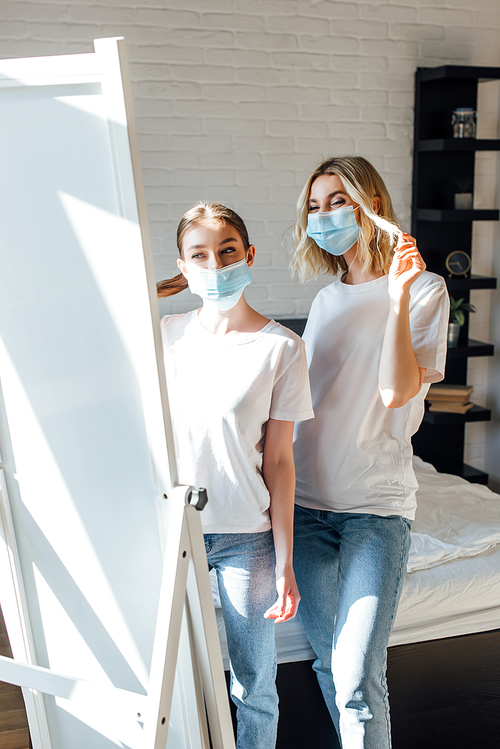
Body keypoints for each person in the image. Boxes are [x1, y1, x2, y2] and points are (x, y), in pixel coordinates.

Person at [290, 156, 449, 749]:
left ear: (371, 208)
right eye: (314, 205)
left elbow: (395, 390)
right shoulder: (327, 300)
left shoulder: (426, 290)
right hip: (305, 506)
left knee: (357, 677)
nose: (323, 215)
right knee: (328, 667)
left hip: (374, 510)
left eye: (337, 201)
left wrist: (399, 295)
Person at [157, 201, 314, 749]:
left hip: (246, 538)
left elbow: (279, 460)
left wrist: (286, 559)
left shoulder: (282, 348)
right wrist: (153, 291)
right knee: (164, 679)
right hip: (170, 533)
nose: (216, 266)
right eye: (199, 256)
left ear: (249, 255)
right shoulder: (163, 335)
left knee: (255, 685)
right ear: (183, 266)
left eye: (227, 252)